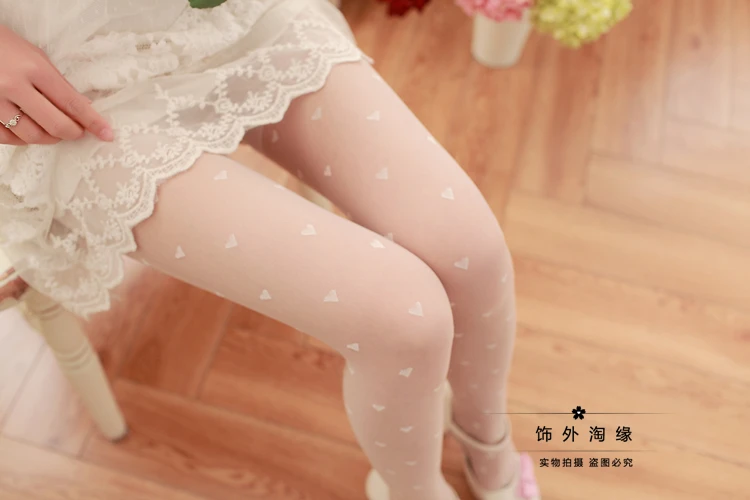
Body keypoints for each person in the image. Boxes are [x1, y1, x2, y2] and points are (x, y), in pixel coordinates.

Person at [0, 0, 540, 499]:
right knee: (405, 320)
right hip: (57, 78)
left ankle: (486, 438)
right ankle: (413, 491)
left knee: (474, 254)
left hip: (222, 16)